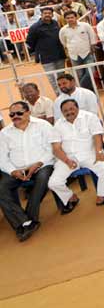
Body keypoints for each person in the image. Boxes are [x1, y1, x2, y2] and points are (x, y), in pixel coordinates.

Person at [0, 103, 56, 241]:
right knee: (1, 187)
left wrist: (38, 163)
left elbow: (52, 149)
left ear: (28, 112)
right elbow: (2, 158)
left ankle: (28, 220)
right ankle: (24, 222)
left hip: (42, 165)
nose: (15, 117)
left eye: (18, 113)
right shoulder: (4, 133)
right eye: (11, 115)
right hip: (17, 169)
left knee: (42, 179)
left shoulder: (43, 125)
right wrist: (13, 171)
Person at [49, 99, 104, 209]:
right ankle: (71, 197)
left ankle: (103, 195)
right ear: (62, 113)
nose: (69, 112)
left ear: (78, 108)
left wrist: (99, 153)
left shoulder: (90, 117)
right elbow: (56, 148)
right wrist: (67, 161)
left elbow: (97, 136)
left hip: (88, 154)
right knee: (53, 183)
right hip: (67, 158)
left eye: (71, 109)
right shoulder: (58, 124)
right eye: (65, 111)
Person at [25, 7, 66, 91]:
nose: (47, 15)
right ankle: (59, 95)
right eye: (45, 13)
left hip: (59, 55)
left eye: (49, 13)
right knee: (52, 78)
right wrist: (39, 50)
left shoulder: (55, 23)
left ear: (52, 14)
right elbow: (29, 42)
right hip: (46, 57)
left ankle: (64, 92)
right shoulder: (35, 27)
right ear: (41, 14)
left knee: (61, 76)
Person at [57, 10, 97, 91]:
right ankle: (89, 91)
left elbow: (92, 37)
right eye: (68, 18)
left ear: (76, 17)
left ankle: (81, 89)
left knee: (90, 74)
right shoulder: (63, 30)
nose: (70, 19)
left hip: (87, 53)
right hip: (74, 55)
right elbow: (63, 42)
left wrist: (92, 48)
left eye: (72, 17)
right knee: (79, 75)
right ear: (65, 19)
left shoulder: (85, 26)